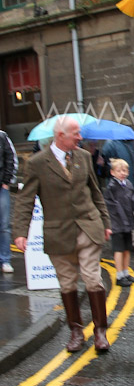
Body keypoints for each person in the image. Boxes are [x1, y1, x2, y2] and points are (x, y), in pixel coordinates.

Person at [13, 116, 112, 352]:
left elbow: (95, 192)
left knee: (92, 278)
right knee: (67, 283)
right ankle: (76, 331)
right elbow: (25, 199)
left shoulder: (84, 157)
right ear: (60, 136)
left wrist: (105, 220)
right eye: (76, 134)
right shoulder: (37, 163)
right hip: (58, 233)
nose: (80, 137)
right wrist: (20, 232)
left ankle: (100, 331)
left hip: (88, 226)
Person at [104, 158, 134, 286]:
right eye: (119, 170)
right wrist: (121, 217)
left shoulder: (128, 185)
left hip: (128, 221)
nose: (122, 173)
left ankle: (126, 273)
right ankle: (119, 275)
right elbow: (112, 205)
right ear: (112, 172)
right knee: (119, 249)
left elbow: (133, 200)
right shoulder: (111, 187)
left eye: (124, 170)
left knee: (128, 249)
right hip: (117, 223)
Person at [0, 129, 18, 273]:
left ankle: (5, 259)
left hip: (1, 187)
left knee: (4, 226)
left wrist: (6, 182)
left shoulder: (2, 136)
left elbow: (11, 157)